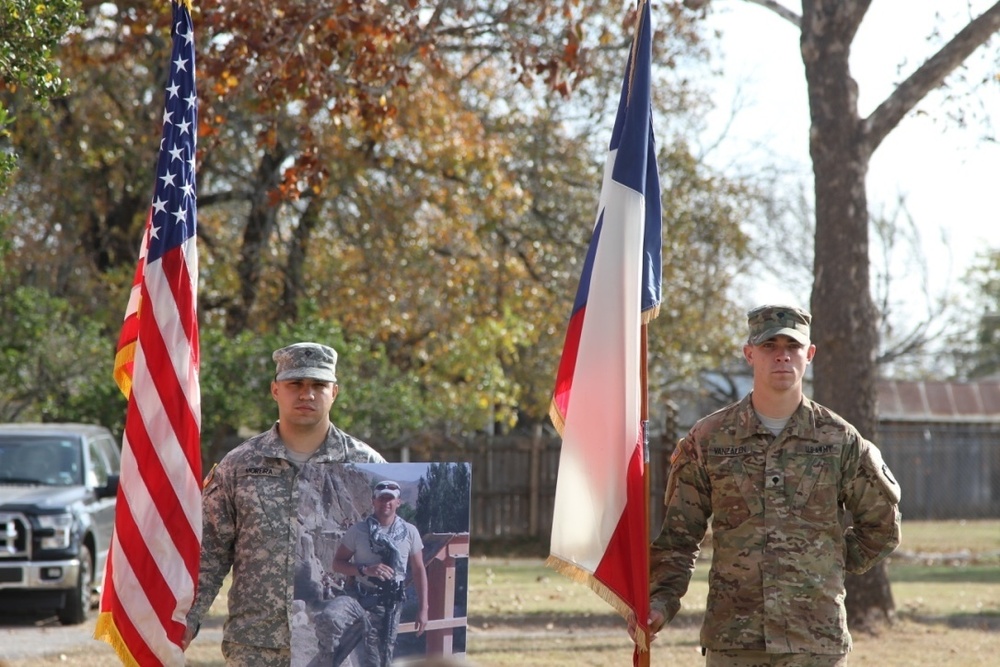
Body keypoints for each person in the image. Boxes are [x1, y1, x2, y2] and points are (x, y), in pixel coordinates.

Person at [646, 305, 901, 667]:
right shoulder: (709, 439)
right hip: (735, 641)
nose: (782, 355)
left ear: (809, 354)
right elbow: (678, 539)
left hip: (815, 642)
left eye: (792, 346)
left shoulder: (839, 440)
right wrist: (660, 603)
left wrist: (825, 562)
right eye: (769, 346)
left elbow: (882, 527)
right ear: (749, 353)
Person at [182, 341, 386, 666]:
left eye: (318, 385)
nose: (306, 394)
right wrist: (183, 623)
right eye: (295, 384)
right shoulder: (240, 465)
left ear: (334, 391)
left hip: (337, 648)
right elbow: (208, 556)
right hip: (257, 649)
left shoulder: (365, 465)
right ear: (275, 390)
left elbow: (383, 550)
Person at [313, 480, 428, 667]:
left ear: (398, 502)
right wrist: (364, 569)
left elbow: (419, 570)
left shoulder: (409, 532)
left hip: (387, 606)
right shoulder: (358, 530)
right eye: (381, 498)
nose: (386, 503)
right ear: (373, 501)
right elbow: (337, 564)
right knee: (328, 617)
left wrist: (423, 610)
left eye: (391, 499)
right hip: (357, 595)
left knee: (378, 661)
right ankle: (326, 661)